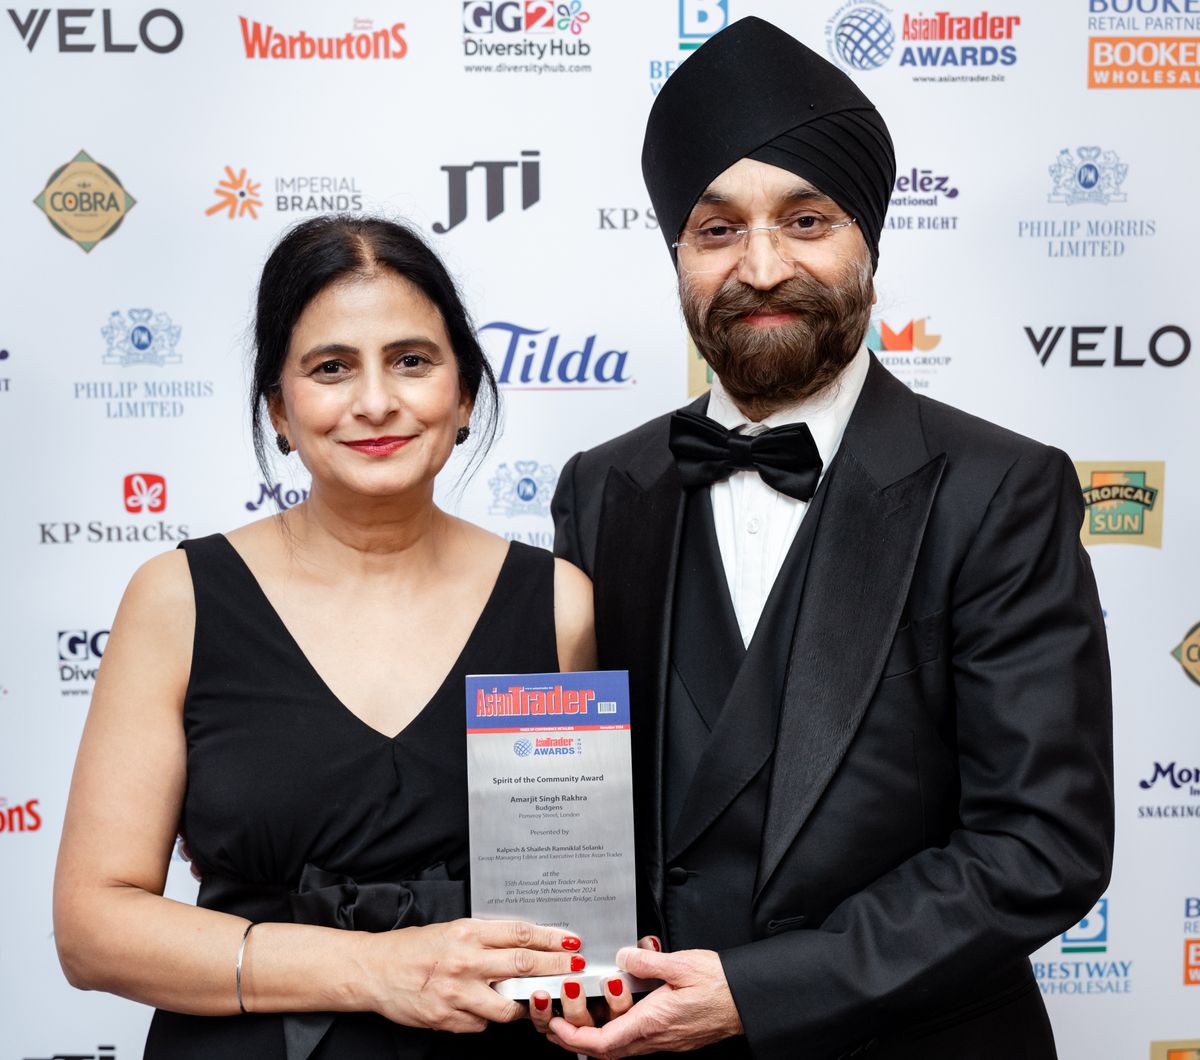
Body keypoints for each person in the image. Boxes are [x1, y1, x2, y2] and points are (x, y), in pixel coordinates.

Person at [545, 17, 1114, 1060]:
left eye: (805, 220)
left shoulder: (1002, 488)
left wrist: (759, 990)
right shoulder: (601, 487)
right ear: (676, 252)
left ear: (869, 243)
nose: (762, 267)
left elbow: (1042, 845)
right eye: (717, 230)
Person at [53, 215, 597, 1059]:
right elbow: (91, 929)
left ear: (463, 394)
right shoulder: (179, 598)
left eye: (412, 361)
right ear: (279, 407)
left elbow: (576, 903)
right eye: (331, 368)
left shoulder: (559, 605)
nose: (375, 401)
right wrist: (372, 969)